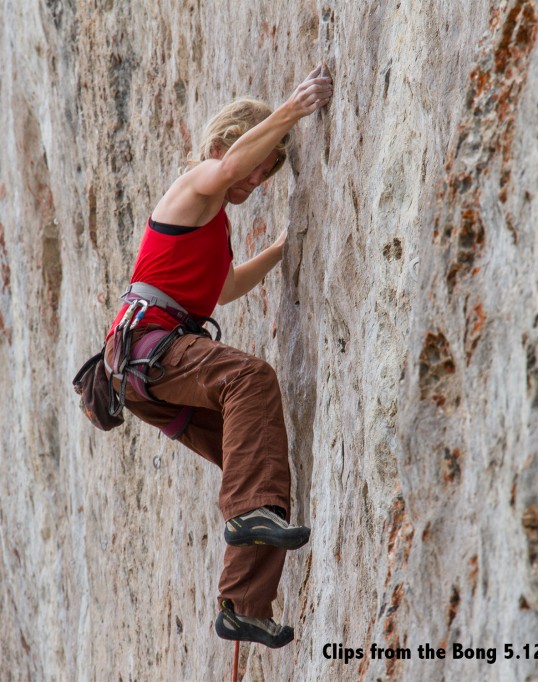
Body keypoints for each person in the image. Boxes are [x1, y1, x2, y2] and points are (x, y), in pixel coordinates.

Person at [103, 66, 334, 648]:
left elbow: (225, 286)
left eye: (270, 170)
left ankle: (243, 606)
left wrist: (286, 247)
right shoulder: (196, 182)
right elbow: (230, 166)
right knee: (249, 380)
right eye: (259, 163)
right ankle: (250, 516)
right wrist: (293, 107)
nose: (259, 177)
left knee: (259, 464)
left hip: (143, 368)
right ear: (220, 146)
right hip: (149, 347)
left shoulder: (212, 221)